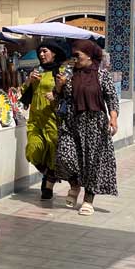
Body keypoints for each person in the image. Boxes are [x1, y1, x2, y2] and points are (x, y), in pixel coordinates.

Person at [54, 39, 120, 216]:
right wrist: (59, 87)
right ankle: (75, 185)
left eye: (78, 55)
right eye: (73, 56)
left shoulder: (102, 75)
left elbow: (111, 97)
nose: (74, 59)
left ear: (89, 55)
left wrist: (113, 118)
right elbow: (59, 98)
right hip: (71, 123)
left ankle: (88, 200)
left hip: (95, 125)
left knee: (93, 164)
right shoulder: (69, 75)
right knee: (65, 156)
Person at [22, 40, 67, 200]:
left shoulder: (62, 72)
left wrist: (57, 94)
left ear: (53, 53)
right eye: (40, 52)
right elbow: (23, 92)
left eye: (45, 51)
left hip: (53, 121)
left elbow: (69, 95)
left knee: (53, 155)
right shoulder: (36, 71)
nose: (41, 55)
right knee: (32, 151)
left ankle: (48, 184)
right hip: (35, 121)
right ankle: (50, 174)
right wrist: (29, 81)